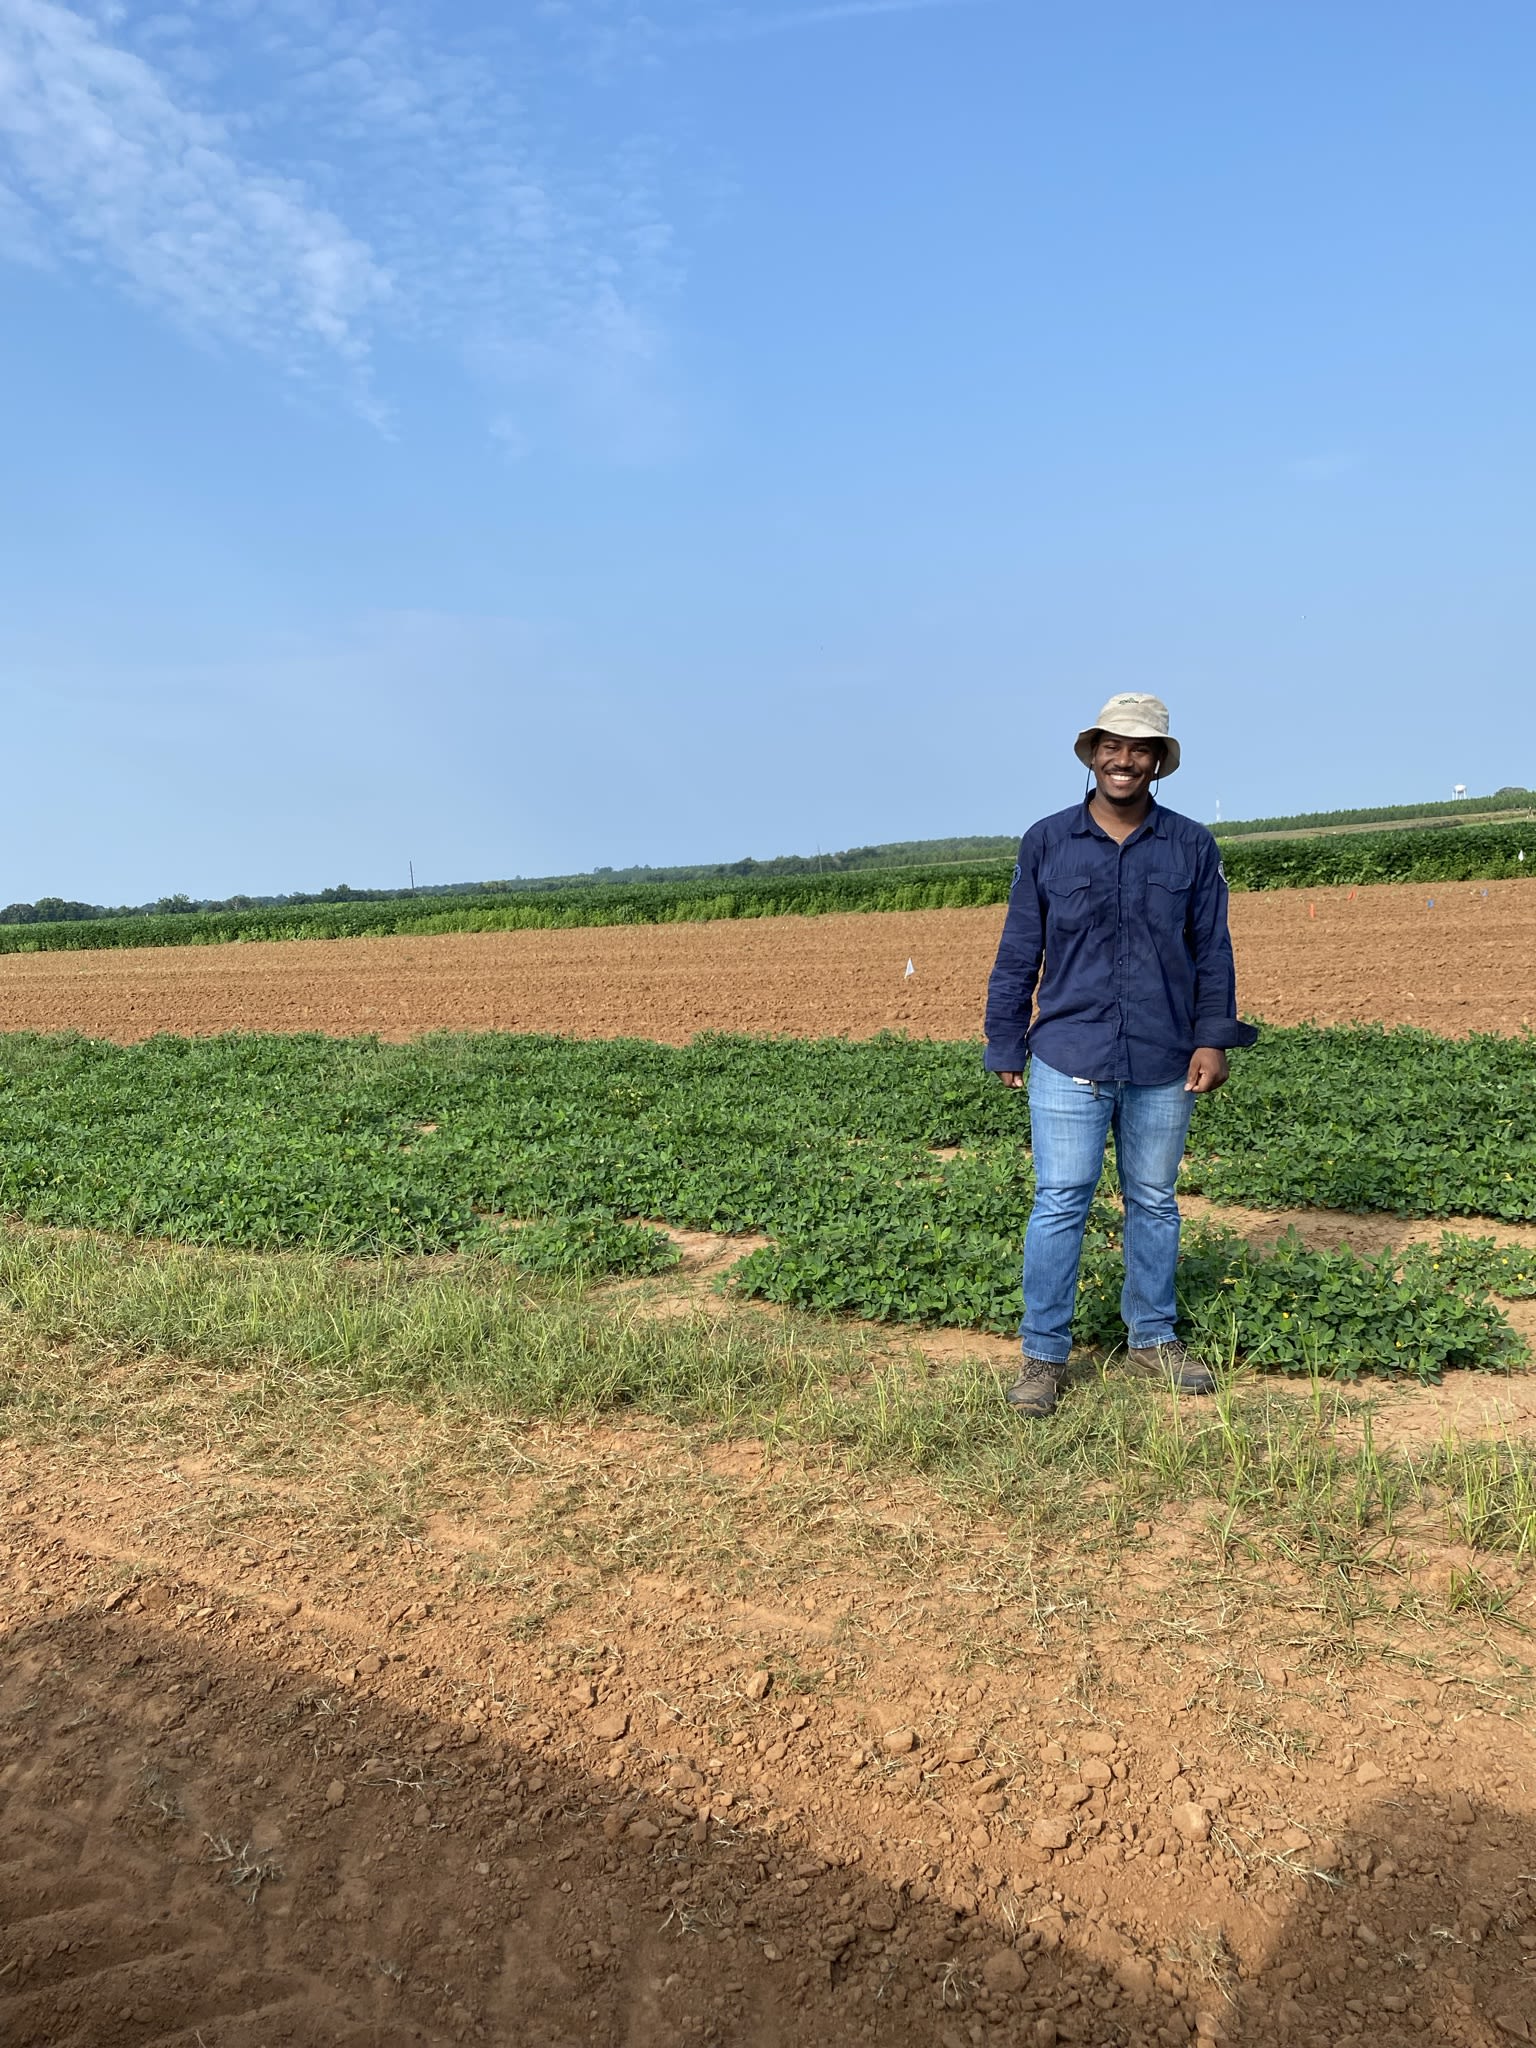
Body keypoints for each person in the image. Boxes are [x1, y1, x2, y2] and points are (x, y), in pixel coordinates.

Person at [983, 693, 1258, 1417]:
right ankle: (1043, 1357)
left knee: (1155, 1203)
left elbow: (1212, 953)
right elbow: (1020, 949)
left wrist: (1212, 1037)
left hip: (1164, 1055)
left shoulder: (1191, 846)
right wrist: (1005, 1037)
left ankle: (1152, 1341)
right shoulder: (1046, 841)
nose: (1123, 759)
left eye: (1140, 749)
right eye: (1112, 745)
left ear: (1158, 763)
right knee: (1059, 1203)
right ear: (1092, 753)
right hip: (1067, 1052)